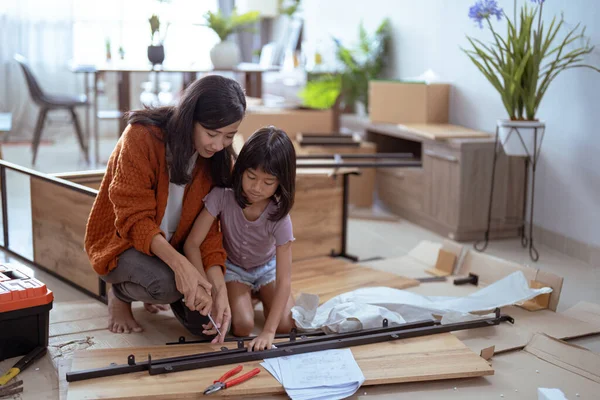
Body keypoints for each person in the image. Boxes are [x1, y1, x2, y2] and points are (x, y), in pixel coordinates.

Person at [84, 75, 245, 341]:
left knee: (208, 324)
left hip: (175, 245)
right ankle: (118, 294)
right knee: (168, 285)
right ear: (189, 118)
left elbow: (210, 231)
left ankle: (158, 283)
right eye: (211, 133)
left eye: (229, 136)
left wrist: (218, 288)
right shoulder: (141, 136)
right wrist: (182, 268)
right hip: (124, 243)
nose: (218, 145)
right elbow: (133, 220)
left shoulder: (215, 158)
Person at [184, 126, 296, 351]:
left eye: (268, 182)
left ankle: (259, 295)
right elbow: (192, 243)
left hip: (267, 269)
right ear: (241, 169)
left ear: (281, 182)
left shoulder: (279, 217)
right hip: (234, 270)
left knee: (286, 325)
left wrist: (268, 332)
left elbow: (284, 280)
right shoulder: (222, 196)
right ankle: (250, 295)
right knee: (243, 326)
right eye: (251, 177)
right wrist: (206, 288)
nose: (256, 188)